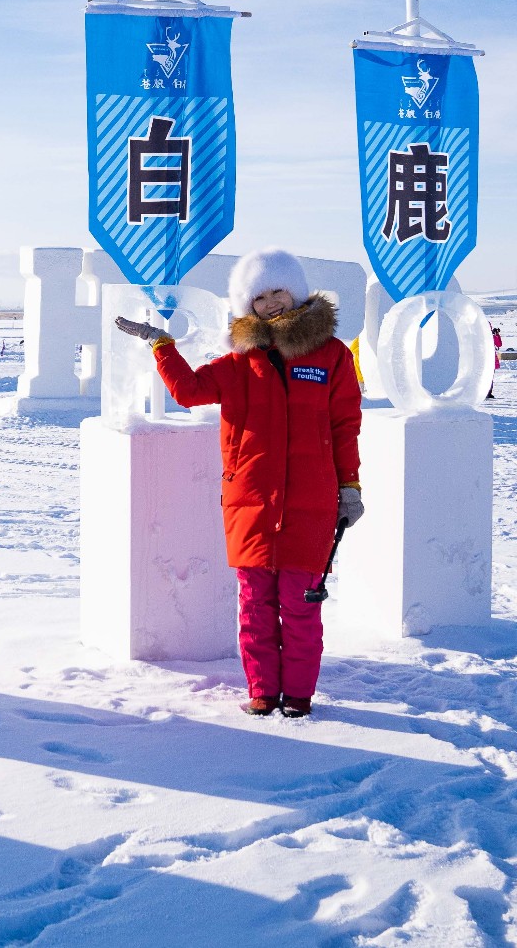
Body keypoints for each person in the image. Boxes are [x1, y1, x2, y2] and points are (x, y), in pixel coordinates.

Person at [116, 249, 362, 719]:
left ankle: (299, 696)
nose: (271, 303)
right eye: (260, 297)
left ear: (298, 290)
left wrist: (349, 487)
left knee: (302, 606)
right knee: (255, 605)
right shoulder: (238, 363)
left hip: (310, 503)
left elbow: (344, 424)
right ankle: (263, 691)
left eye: (279, 291)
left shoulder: (331, 356)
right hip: (249, 502)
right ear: (248, 306)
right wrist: (162, 345)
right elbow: (189, 391)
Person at [488, 325, 503, 400]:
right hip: (488, 358)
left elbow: (499, 344)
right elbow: (499, 344)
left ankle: (487, 392)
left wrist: (496, 335)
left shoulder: (491, 336)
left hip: (489, 358)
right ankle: (487, 392)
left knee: (489, 376)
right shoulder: (489, 336)